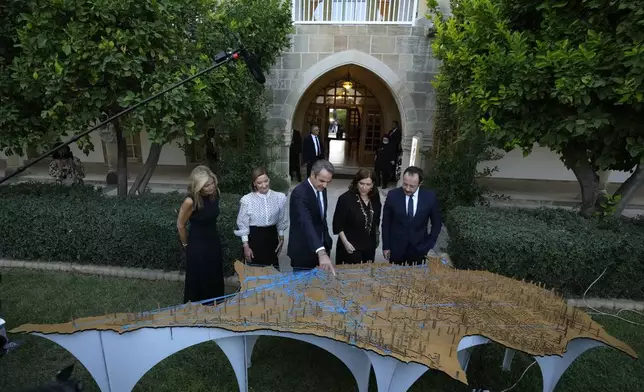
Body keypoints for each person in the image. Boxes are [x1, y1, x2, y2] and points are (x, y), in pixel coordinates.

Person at [176, 166, 225, 304]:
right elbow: (180, 225)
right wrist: (186, 244)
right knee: (200, 277)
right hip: (197, 244)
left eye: (212, 183)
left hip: (213, 240)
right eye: (206, 185)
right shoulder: (190, 201)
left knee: (214, 273)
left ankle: (216, 304)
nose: (211, 187)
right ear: (198, 186)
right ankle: (197, 308)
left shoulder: (215, 194)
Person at [381, 166, 442, 265]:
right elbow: (386, 223)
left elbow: (437, 224)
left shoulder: (430, 197)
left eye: (412, 186)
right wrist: (386, 246)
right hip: (396, 249)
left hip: (419, 249)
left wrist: (429, 244)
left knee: (415, 279)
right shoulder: (393, 195)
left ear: (420, 183)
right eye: (405, 184)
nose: (407, 189)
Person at [287, 159, 336, 275]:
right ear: (312, 174)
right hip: (303, 252)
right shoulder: (299, 193)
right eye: (322, 181)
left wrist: (325, 245)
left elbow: (321, 218)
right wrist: (321, 252)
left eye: (328, 182)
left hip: (321, 248)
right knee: (302, 290)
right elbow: (306, 222)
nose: (325, 185)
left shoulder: (321, 189)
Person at [234, 167, 288, 269]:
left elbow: (281, 219)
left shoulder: (279, 197)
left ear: (269, 180)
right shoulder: (247, 200)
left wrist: (281, 236)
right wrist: (246, 246)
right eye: (259, 183)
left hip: (271, 237)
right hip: (255, 239)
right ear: (254, 183)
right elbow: (243, 224)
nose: (264, 185)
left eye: (266, 181)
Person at [332, 169, 381, 264]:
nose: (364, 187)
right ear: (356, 182)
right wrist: (346, 243)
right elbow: (338, 224)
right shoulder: (345, 199)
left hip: (369, 246)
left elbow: (376, 219)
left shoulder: (375, 197)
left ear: (373, 184)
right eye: (361, 183)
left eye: (368, 184)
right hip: (350, 245)